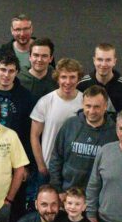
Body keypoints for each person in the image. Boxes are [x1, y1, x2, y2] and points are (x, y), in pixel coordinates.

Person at [30, 58, 84, 193]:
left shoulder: (85, 102)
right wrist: (41, 166)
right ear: (57, 78)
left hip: (75, 171)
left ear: (78, 79)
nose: (68, 82)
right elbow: (34, 136)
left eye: (72, 77)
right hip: (48, 169)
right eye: (64, 77)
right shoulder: (46, 101)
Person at [48, 86, 117, 191]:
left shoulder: (114, 132)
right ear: (82, 105)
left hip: (98, 196)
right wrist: (57, 189)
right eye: (88, 106)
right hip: (68, 194)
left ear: (105, 106)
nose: (92, 111)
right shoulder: (70, 125)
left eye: (97, 107)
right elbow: (56, 158)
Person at [77, 43, 122, 112]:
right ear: (94, 60)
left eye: (108, 60)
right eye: (100, 59)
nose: (103, 64)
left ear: (114, 61)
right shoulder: (81, 85)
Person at [19, 38, 56, 102]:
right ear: (30, 57)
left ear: (51, 59)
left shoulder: (58, 81)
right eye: (36, 55)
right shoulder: (17, 80)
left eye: (44, 56)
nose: (39, 60)